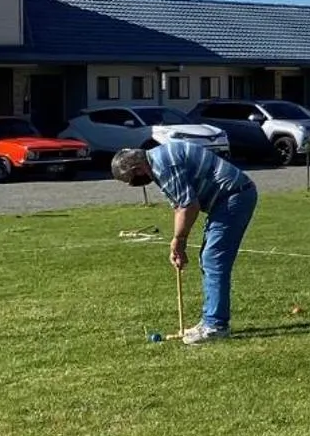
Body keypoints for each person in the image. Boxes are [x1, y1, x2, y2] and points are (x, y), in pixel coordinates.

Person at [110, 139, 259, 344]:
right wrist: (178, 245)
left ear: (137, 169)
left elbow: (188, 206)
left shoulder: (164, 166)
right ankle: (210, 321)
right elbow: (179, 206)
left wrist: (179, 240)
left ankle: (216, 326)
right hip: (228, 198)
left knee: (213, 259)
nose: (132, 184)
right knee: (209, 258)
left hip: (234, 196)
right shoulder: (158, 161)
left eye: (129, 180)